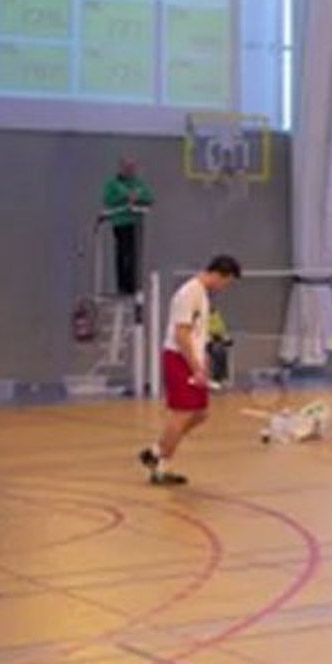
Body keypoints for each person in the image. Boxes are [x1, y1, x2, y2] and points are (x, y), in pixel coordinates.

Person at [139, 255, 242, 486]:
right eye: (227, 282)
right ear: (218, 274)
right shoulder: (189, 294)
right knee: (182, 413)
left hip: (191, 357)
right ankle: (161, 465)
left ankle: (156, 453)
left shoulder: (203, 296)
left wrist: (203, 362)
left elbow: (198, 334)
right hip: (179, 358)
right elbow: (181, 333)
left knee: (200, 413)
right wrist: (195, 367)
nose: (225, 288)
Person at [101, 157, 155, 297]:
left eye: (132, 167)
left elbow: (149, 197)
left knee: (134, 254)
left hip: (135, 223)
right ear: (121, 168)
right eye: (127, 167)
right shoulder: (113, 184)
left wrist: (137, 199)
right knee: (122, 253)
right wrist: (125, 198)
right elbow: (108, 199)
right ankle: (123, 286)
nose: (130, 170)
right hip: (120, 222)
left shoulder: (138, 184)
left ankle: (133, 285)